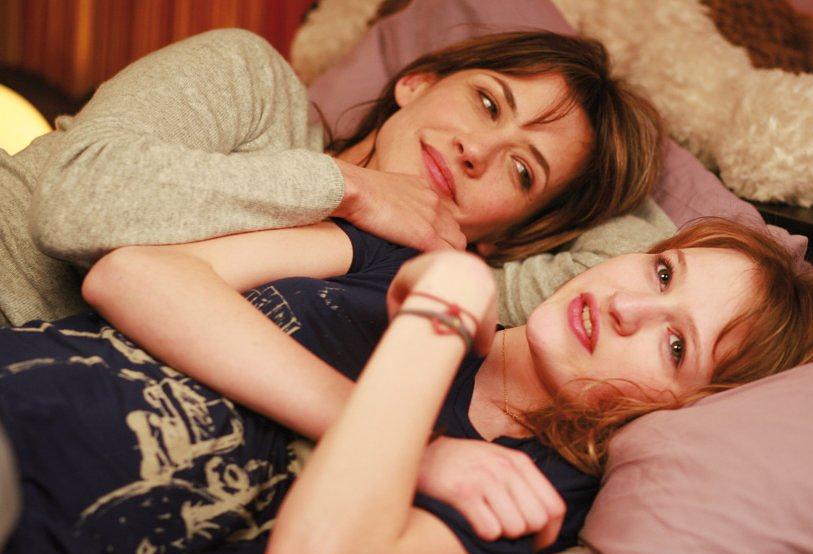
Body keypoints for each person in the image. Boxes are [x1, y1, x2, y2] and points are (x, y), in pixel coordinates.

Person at [2, 216, 813, 554]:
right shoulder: (399, 260)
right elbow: (128, 274)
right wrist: (422, 442)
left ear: (681, 411)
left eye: (675, 345)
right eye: (663, 273)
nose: (629, 307)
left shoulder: (534, 487)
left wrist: (437, 319)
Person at [0, 27, 669, 330]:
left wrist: (608, 177)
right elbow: (74, 200)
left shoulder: (424, 293)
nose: (479, 150)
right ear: (416, 83)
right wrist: (350, 188)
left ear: (508, 235)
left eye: (522, 172)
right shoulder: (253, 83)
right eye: (488, 103)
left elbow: (640, 261)